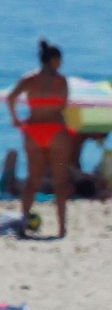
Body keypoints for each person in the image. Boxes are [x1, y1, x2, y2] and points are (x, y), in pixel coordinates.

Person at [6, 40, 71, 236]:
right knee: (60, 181)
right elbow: (63, 106)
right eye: (60, 60)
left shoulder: (30, 79)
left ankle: (23, 225)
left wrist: (16, 119)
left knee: (32, 181)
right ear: (53, 60)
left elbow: (10, 98)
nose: (61, 63)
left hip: (34, 130)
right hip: (55, 130)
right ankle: (61, 228)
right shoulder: (61, 81)